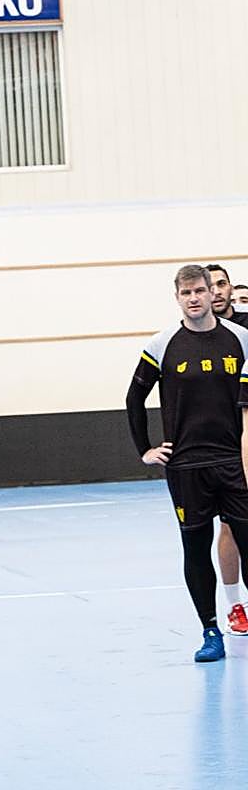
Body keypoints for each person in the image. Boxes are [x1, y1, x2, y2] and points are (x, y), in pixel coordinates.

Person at [126, 265, 248, 662]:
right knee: (195, 549)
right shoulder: (163, 344)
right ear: (177, 297)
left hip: (233, 462)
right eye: (186, 293)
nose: (194, 298)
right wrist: (145, 449)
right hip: (186, 467)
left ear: (212, 292)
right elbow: (134, 398)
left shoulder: (241, 340)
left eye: (200, 290)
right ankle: (210, 631)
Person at [203, 264, 248, 631]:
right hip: (227, 448)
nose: (216, 291)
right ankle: (235, 606)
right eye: (209, 285)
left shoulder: (245, 331)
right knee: (230, 527)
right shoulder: (196, 336)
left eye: (221, 283)